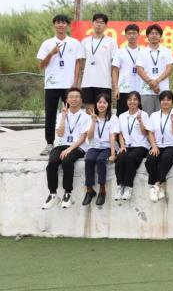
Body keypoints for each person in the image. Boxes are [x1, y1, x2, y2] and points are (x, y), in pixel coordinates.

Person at [37, 14, 83, 156]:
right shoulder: (47, 43)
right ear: (54, 25)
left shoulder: (74, 43)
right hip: (51, 85)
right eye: (58, 22)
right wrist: (51, 53)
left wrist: (75, 83)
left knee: (71, 114)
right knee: (50, 114)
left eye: (63, 22)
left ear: (67, 25)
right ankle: (50, 143)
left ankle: (70, 142)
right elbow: (41, 65)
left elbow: (78, 64)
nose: (61, 25)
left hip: (69, 86)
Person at [42, 87, 90, 210]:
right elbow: (60, 134)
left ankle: (67, 193)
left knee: (67, 161)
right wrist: (64, 116)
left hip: (78, 147)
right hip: (61, 145)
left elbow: (83, 138)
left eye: (77, 97)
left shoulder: (86, 116)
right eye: (71, 97)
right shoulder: (61, 115)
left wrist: (69, 149)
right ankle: (53, 194)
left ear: (81, 100)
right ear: (67, 100)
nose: (74, 99)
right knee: (52, 162)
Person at [144, 90, 173, 203]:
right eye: (163, 100)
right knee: (150, 160)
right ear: (160, 101)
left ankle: (156, 185)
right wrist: (154, 147)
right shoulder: (154, 115)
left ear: (172, 101)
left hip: (172, 145)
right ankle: (159, 188)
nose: (166, 102)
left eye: (168, 99)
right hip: (157, 145)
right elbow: (150, 133)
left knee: (165, 158)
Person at [113, 91, 150, 201]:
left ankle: (128, 187)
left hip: (141, 145)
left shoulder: (144, 115)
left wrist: (140, 121)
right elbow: (120, 133)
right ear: (126, 101)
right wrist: (122, 145)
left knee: (130, 158)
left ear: (139, 102)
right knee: (120, 158)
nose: (132, 102)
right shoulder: (122, 116)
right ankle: (120, 186)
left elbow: (146, 133)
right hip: (127, 146)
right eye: (130, 100)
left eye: (135, 99)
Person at [83, 93, 118, 207]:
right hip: (94, 146)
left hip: (107, 147)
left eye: (104, 102)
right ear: (96, 104)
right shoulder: (91, 118)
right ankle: (89, 189)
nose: (101, 105)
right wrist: (93, 121)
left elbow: (112, 137)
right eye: (99, 102)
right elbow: (89, 137)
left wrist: (113, 154)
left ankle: (102, 189)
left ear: (108, 105)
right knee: (89, 160)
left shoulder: (113, 118)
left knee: (100, 160)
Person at [79, 13, 118, 112]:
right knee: (90, 111)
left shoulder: (111, 42)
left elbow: (114, 64)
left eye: (102, 22)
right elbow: (82, 62)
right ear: (92, 23)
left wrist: (115, 85)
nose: (99, 25)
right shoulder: (85, 41)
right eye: (96, 22)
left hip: (104, 82)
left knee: (103, 111)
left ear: (106, 25)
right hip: (88, 82)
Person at [136, 24, 173, 114]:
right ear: (147, 36)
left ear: (160, 36)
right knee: (147, 117)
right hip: (146, 91)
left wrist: (157, 81)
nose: (154, 35)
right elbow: (139, 70)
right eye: (151, 33)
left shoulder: (167, 51)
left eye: (156, 33)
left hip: (163, 90)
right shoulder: (142, 51)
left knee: (163, 116)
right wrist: (151, 83)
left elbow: (169, 68)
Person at [112, 23, 142, 116]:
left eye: (134, 33)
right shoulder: (119, 52)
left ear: (138, 34)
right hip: (124, 89)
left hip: (140, 90)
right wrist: (116, 88)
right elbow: (115, 71)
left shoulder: (143, 51)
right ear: (125, 35)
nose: (132, 35)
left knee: (139, 116)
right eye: (129, 33)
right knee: (122, 116)